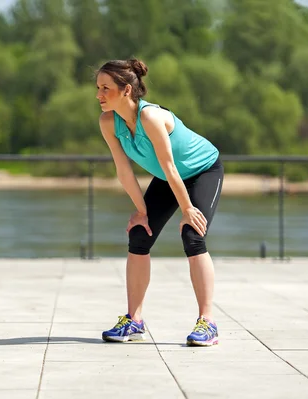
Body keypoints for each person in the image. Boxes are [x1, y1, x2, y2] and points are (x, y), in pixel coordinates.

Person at [95, 58, 223, 347]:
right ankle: (134, 321)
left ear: (126, 90)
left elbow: (170, 167)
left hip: (203, 170)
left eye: (106, 88)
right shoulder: (108, 123)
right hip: (169, 178)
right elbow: (124, 170)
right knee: (140, 235)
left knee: (193, 235)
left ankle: (208, 322)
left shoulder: (150, 117)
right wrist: (141, 212)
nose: (99, 95)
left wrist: (188, 209)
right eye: (98, 87)